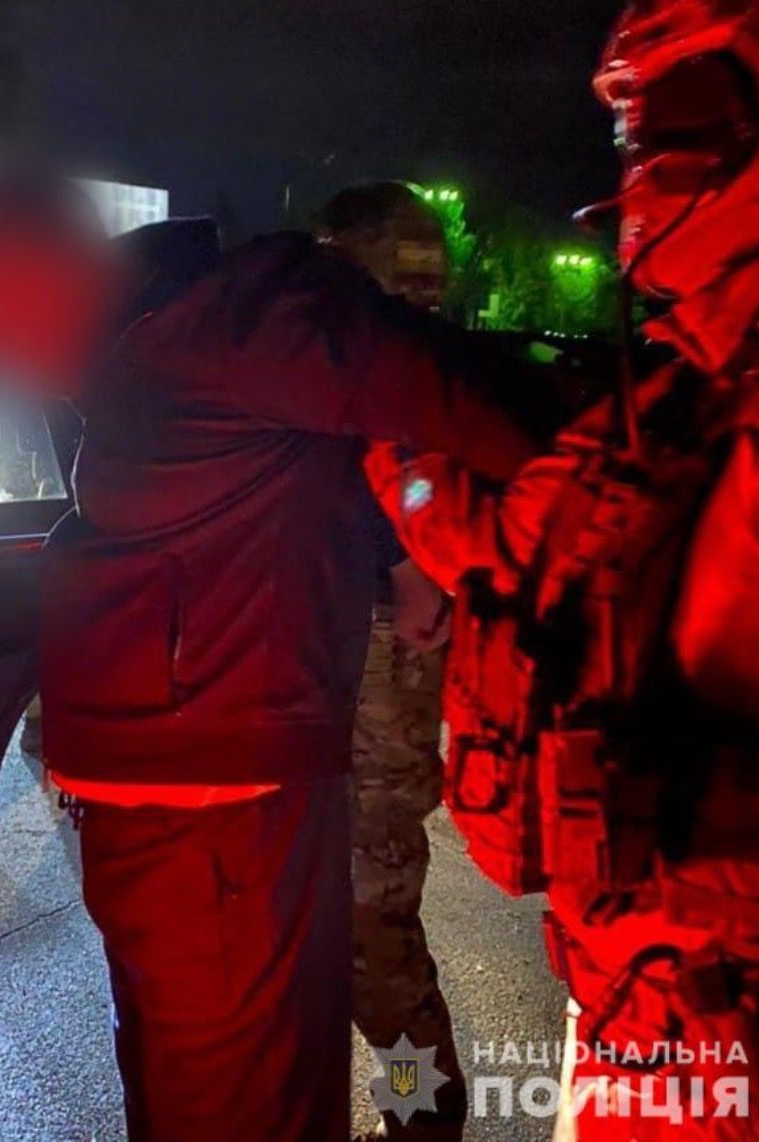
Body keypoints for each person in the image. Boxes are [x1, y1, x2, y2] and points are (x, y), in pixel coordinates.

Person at [0, 158, 534, 1141]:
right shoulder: (252, 383)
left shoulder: (337, 383)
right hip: (288, 715)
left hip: (344, 716)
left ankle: (421, 1113)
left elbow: (461, 442)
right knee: (304, 986)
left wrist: (419, 558)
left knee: (377, 954)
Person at [366, 1, 759, 1137]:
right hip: (641, 1017)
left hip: (746, 1044)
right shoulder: (691, 388)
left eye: (677, 113)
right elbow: (519, 543)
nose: (640, 158)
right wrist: (394, 452)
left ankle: (421, 1116)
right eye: (627, 126)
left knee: (381, 971)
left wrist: (693, 854)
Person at [317, 182, 466, 1141]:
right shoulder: (366, 361)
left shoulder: (393, 369)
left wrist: (410, 570)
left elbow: (401, 490)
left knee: (372, 927)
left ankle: (423, 1117)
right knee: (334, 925)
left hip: (380, 653)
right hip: (341, 652)